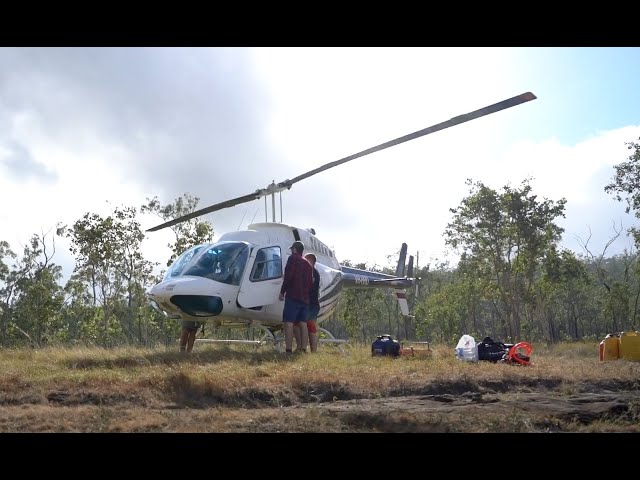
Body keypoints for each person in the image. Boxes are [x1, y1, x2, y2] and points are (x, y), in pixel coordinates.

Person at [279, 240, 312, 354]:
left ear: (294, 249)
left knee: (289, 322)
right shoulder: (307, 264)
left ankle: (288, 350)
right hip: (304, 298)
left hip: (293, 296)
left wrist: (282, 291)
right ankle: (303, 349)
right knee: (303, 323)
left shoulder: (292, 259)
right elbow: (309, 283)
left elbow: (288, 277)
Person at [294, 253, 320, 352]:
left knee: (298, 324)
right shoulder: (315, 272)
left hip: (309, 304)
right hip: (313, 304)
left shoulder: (310, 272)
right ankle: (313, 350)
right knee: (311, 326)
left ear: (310, 261)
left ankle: (301, 347)